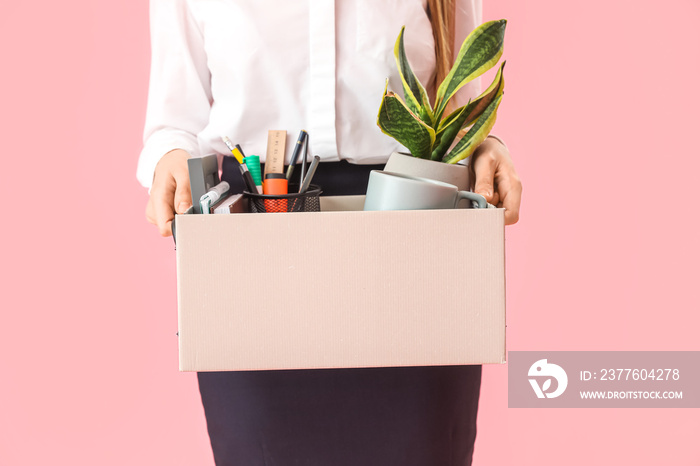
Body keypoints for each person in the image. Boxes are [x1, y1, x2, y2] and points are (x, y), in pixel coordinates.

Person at [138, 1, 522, 464]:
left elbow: (461, 102)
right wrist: (170, 158)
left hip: (415, 238)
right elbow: (174, 120)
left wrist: (486, 149)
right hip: (257, 241)